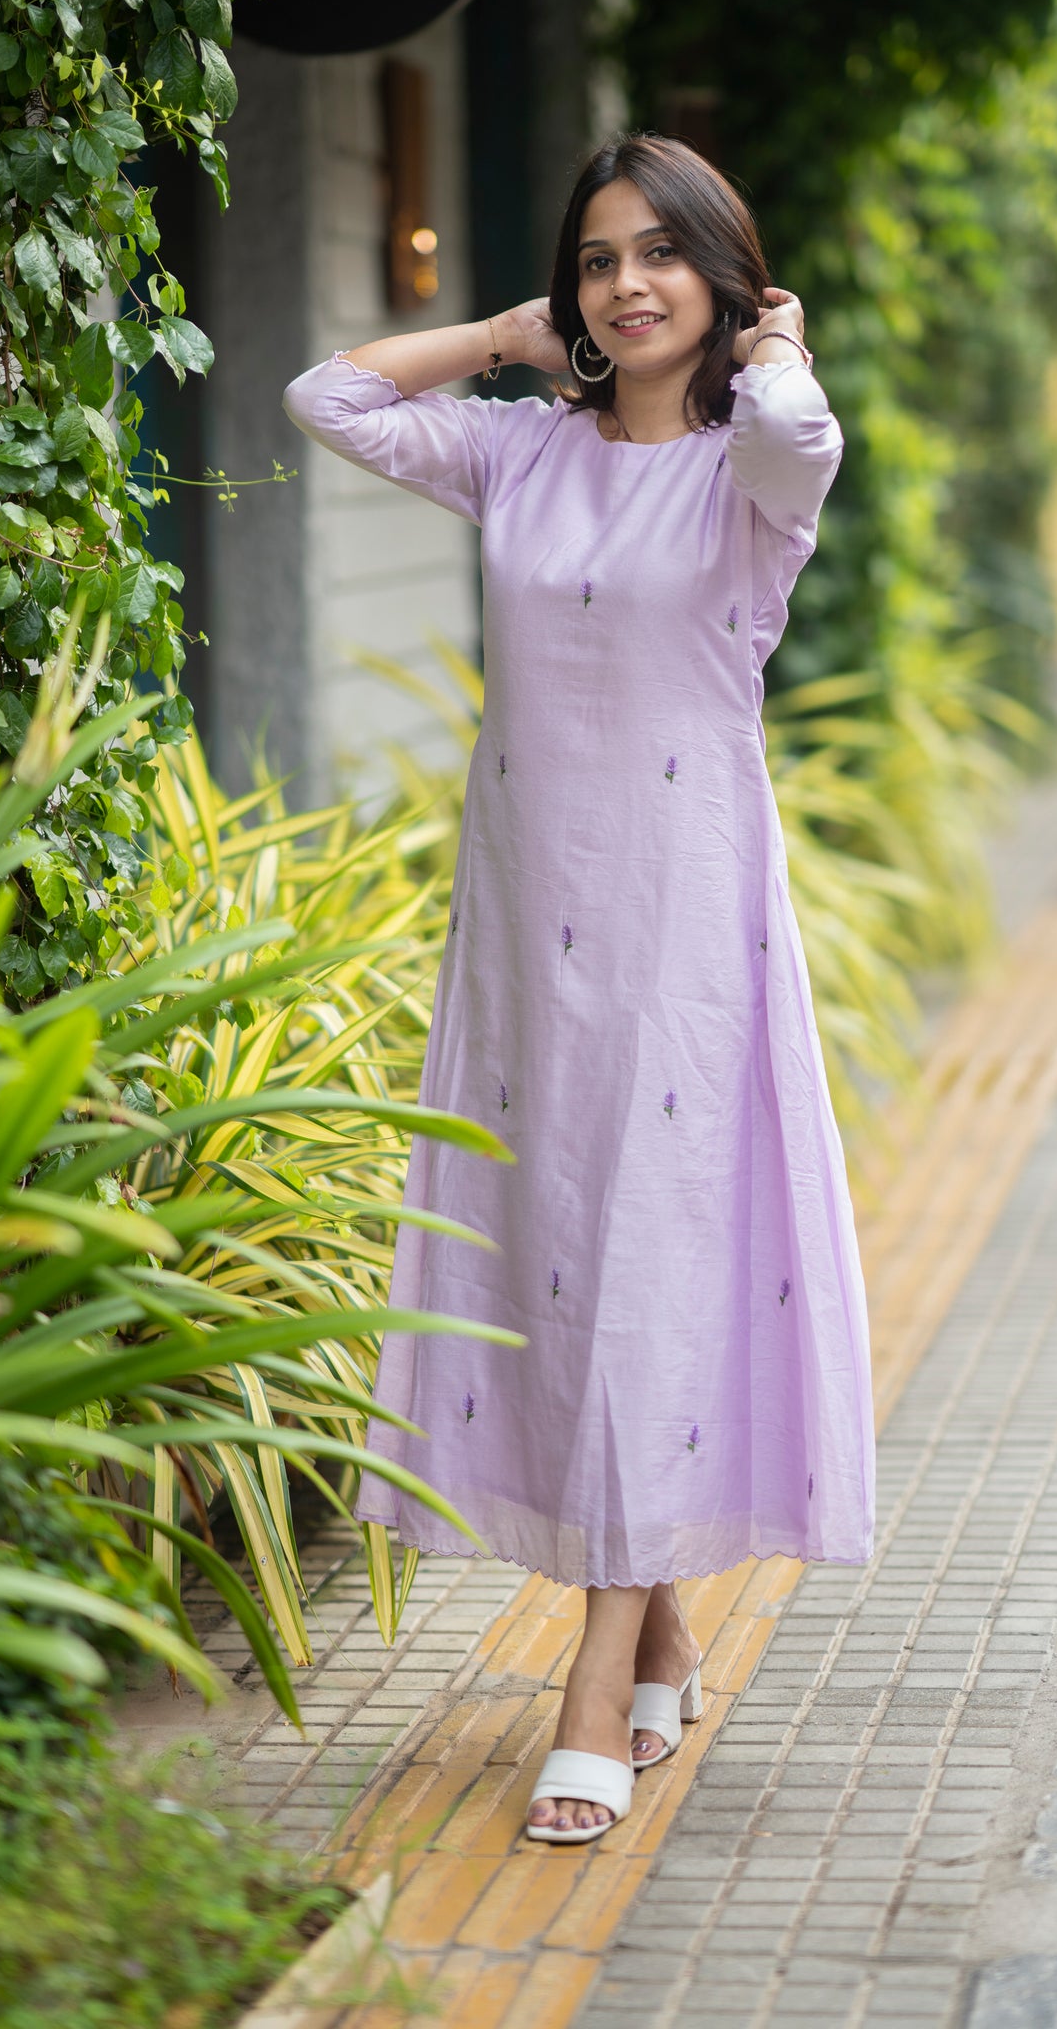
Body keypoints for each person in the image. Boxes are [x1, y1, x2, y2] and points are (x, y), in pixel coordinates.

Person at [283, 133, 874, 1846]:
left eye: (661, 256)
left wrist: (776, 347)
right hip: (532, 931)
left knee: (650, 1261)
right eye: (600, 259)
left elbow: (799, 435)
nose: (627, 286)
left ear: (720, 277)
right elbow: (329, 397)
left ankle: (596, 1687)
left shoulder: (751, 471)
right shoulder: (519, 454)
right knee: (566, 1255)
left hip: (684, 928)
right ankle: (667, 1628)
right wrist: (496, 339)